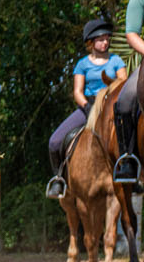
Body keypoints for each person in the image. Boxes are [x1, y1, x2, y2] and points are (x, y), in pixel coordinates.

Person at [47, 16, 126, 184]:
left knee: (128, 134)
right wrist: (88, 107)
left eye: (107, 39)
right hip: (88, 106)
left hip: (112, 105)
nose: (105, 42)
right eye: (101, 39)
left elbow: (122, 83)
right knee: (54, 142)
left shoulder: (116, 61)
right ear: (91, 42)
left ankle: (132, 173)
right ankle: (59, 179)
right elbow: (77, 91)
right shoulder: (82, 65)